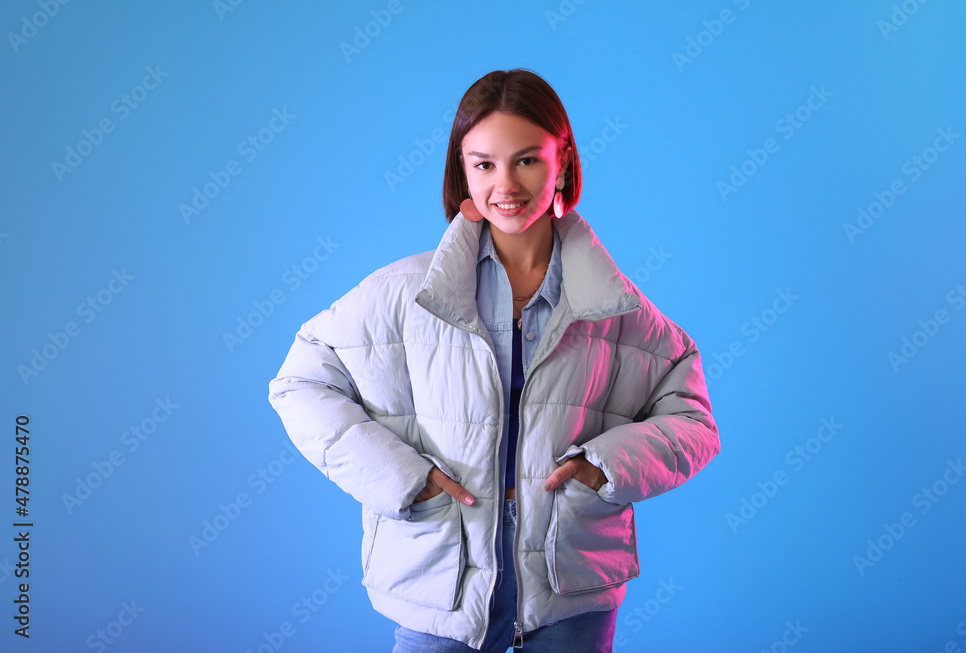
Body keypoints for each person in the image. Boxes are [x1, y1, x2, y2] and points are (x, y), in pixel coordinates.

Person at [268, 68, 720, 652]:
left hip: (571, 582)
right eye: (483, 163)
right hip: (440, 581)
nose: (505, 183)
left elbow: (694, 421)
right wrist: (405, 478)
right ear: (462, 170)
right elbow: (299, 384)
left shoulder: (613, 305)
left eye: (527, 159)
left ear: (563, 162)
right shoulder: (402, 293)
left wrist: (604, 466)